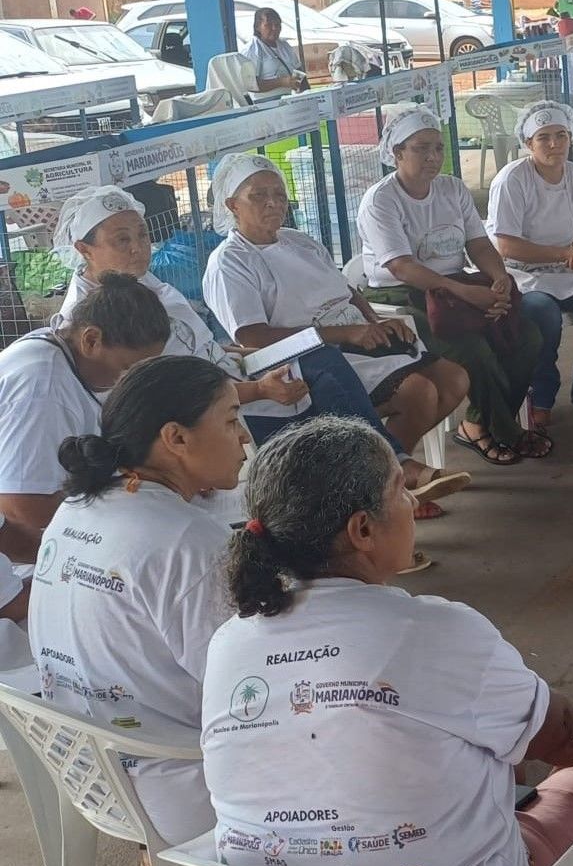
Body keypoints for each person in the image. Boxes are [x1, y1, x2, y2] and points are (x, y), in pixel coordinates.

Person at [203, 415, 573, 866]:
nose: (412, 502)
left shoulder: (230, 641)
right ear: (362, 529)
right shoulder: (437, 631)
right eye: (401, 489)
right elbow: (565, 736)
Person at [28, 354, 245, 845]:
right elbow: (245, 691)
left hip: (87, 773)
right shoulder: (191, 543)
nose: (244, 438)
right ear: (176, 438)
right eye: (232, 421)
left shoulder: (76, 506)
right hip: (179, 789)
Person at [205, 153, 472, 509]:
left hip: (355, 338)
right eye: (259, 195)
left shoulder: (299, 240)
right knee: (418, 392)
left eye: (280, 195)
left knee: (454, 379)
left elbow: (348, 291)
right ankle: (394, 480)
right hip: (306, 358)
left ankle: (384, 484)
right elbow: (252, 337)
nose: (273, 203)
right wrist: (343, 334)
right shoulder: (230, 261)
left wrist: (374, 322)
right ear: (232, 205)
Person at [357, 107, 550, 465]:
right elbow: (401, 267)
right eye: (421, 148)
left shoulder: (451, 188)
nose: (433, 157)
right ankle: (506, 431)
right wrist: (465, 294)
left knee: (527, 335)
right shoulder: (382, 200)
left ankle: (476, 424)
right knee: (473, 350)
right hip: (404, 294)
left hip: (457, 288)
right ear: (397, 153)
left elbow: (479, 244)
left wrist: (498, 279)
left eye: (438, 147)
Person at [52, 185, 313, 437]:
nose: (138, 248)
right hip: (199, 420)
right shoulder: (88, 321)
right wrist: (258, 390)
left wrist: (256, 355)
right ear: (84, 250)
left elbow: (193, 343)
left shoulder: (142, 280)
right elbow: (161, 395)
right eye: (122, 240)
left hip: (228, 381)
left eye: (143, 235)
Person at [0, 275, 168, 588]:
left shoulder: (66, 351)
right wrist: (104, 546)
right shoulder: (43, 388)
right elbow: (22, 505)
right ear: (91, 340)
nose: (128, 382)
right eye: (127, 369)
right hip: (19, 558)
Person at [487, 100, 573, 429]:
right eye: (543, 137)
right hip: (521, 274)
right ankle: (541, 396)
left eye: (561, 135)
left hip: (568, 273)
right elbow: (506, 246)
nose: (554, 144)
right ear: (528, 143)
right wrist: (565, 253)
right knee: (543, 313)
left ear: (570, 138)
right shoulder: (512, 180)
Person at [245, 7, 308, 97]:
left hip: (288, 99)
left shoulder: (285, 46)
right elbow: (250, 85)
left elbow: (300, 74)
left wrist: (308, 95)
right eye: (269, 25)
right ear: (258, 27)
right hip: (263, 103)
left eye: (277, 24)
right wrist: (281, 82)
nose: (274, 28)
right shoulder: (252, 50)